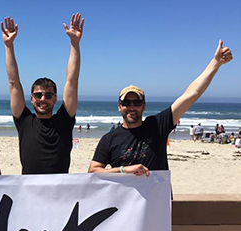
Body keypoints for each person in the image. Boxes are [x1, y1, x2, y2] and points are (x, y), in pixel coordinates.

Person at [89, 40, 233, 176]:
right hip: (124, 202)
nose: (131, 107)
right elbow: (93, 171)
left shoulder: (157, 126)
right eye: (127, 103)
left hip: (157, 200)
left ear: (143, 106)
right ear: (120, 107)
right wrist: (123, 170)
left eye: (137, 103)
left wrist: (215, 63)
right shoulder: (109, 138)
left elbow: (191, 94)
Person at [1, 13, 83, 174]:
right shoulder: (24, 121)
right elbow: (13, 83)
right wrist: (8, 46)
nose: (43, 99)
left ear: (55, 99)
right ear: (31, 99)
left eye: (48, 95)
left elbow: (72, 81)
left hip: (60, 190)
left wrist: (74, 43)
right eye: (38, 95)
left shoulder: (64, 120)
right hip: (29, 191)